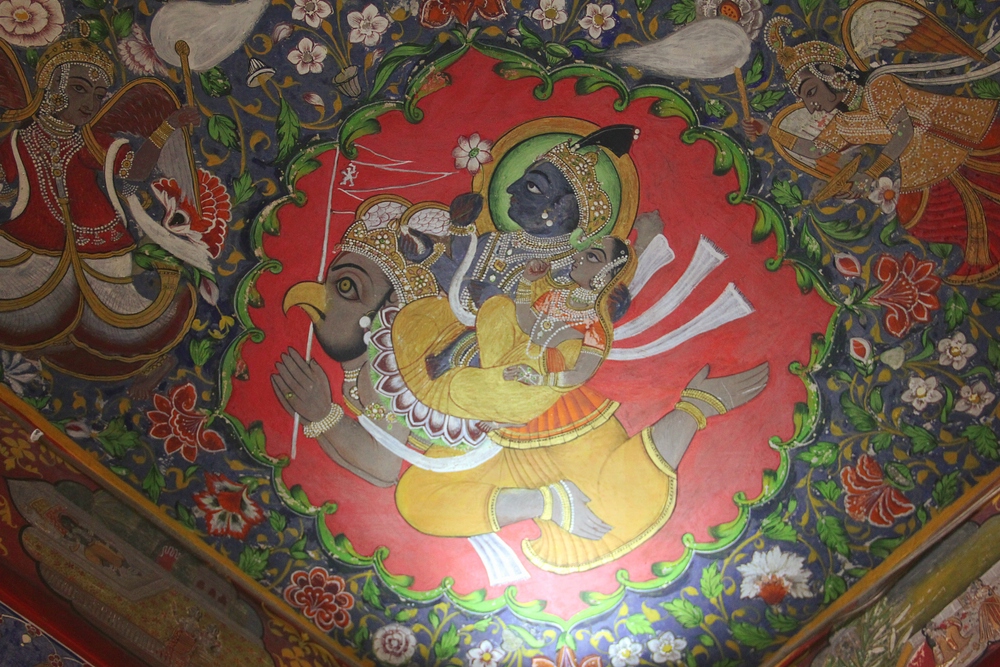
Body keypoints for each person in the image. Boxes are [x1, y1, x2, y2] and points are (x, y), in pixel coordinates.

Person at [275, 189, 769, 573]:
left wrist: (323, 416)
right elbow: (389, 470)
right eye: (335, 283)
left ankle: (696, 406)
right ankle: (548, 501)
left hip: (540, 417)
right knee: (417, 501)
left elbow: (383, 463)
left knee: (616, 504)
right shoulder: (387, 357)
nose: (316, 296)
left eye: (346, 287)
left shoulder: (403, 345)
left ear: (388, 302)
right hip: (479, 448)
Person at [0, 38, 201, 390]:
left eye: (98, 95)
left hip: (97, 245)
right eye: (79, 89)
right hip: (35, 241)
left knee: (116, 324)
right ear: (52, 86)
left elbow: (135, 172)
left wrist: (167, 127)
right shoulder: (18, 142)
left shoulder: (90, 142)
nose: (90, 104)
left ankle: (150, 364)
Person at [743, 16, 1000, 284]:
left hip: (947, 134)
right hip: (917, 161)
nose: (811, 106)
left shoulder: (878, 87)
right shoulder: (842, 123)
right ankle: (982, 254)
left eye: (810, 92)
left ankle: (986, 251)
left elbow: (904, 131)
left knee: (980, 185)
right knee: (920, 217)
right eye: (804, 99)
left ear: (829, 73)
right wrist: (769, 130)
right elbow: (815, 149)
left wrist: (871, 173)